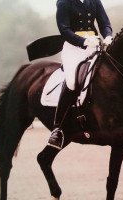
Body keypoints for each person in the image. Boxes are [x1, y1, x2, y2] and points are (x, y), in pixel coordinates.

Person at [48, 0, 113, 150]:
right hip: (73, 49)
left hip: (94, 46)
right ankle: (57, 129)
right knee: (72, 82)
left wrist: (108, 36)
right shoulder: (64, 2)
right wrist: (83, 41)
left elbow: (104, 23)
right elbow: (64, 30)